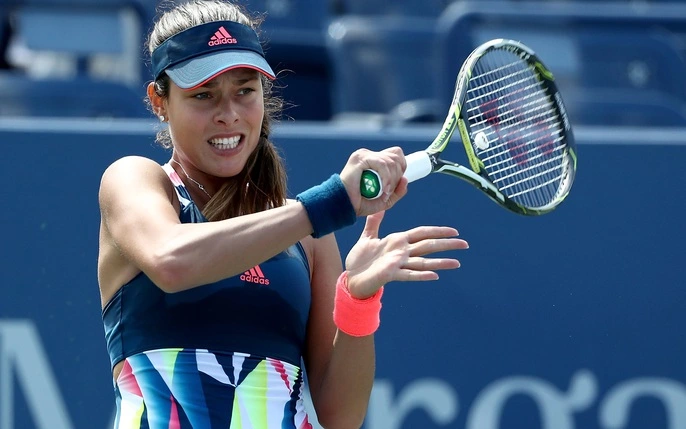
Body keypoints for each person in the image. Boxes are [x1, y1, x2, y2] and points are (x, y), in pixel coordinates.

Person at [97, 1, 469, 427]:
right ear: (159, 101)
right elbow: (172, 261)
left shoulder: (309, 236)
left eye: (245, 91)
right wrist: (327, 203)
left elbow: (340, 417)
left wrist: (357, 298)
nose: (229, 115)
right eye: (203, 95)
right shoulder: (134, 179)